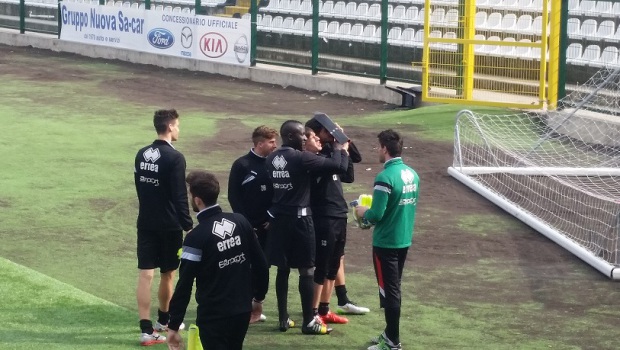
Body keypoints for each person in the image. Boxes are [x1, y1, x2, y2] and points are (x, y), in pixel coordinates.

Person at [166, 171, 269, 350]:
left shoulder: (196, 237)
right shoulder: (241, 221)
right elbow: (261, 264)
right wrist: (258, 299)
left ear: (197, 200)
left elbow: (185, 285)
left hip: (213, 316)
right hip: (242, 311)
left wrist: (174, 325)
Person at [266, 120, 349, 335]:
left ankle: (283, 318)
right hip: (301, 220)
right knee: (307, 270)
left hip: (279, 220)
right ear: (292, 136)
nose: (305, 138)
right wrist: (340, 148)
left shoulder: (271, 158)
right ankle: (309, 321)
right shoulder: (301, 158)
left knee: (282, 269)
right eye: (302, 135)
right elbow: (339, 166)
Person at [354, 129, 420, 350]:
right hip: (403, 239)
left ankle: (392, 341)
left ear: (384, 148)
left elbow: (376, 215)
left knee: (389, 291)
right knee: (394, 287)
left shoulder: (384, 177)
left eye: (378, 147)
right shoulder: (412, 174)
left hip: (385, 243)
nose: (377, 150)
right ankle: (389, 333)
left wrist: (361, 211)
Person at [134, 109, 193, 346]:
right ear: (169, 127)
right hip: (169, 226)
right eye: (177, 125)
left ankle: (146, 329)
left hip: (146, 222)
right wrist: (189, 226)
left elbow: (140, 188)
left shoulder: (141, 154)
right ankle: (164, 321)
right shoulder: (175, 158)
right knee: (168, 273)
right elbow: (180, 196)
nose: (178, 129)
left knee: (145, 274)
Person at [304, 119, 370, 318]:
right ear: (317, 133)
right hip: (323, 216)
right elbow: (339, 166)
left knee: (334, 263)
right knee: (322, 266)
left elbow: (351, 167)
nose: (329, 134)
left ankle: (325, 309)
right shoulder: (316, 157)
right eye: (326, 131)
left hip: (339, 214)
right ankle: (314, 312)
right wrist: (338, 148)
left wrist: (341, 136)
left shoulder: (333, 151)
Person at [228, 125, 278, 250]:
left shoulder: (275, 164)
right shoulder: (241, 164)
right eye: (271, 142)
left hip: (270, 225)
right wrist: (245, 224)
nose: (275, 145)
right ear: (260, 144)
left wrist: (272, 217)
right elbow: (233, 196)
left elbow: (281, 192)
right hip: (248, 227)